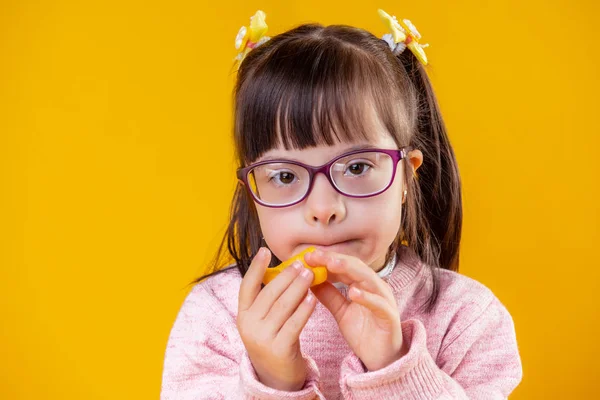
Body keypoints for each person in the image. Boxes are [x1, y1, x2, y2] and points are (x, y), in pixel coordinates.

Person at [160, 9, 523, 399]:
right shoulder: (215, 316)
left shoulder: (466, 318)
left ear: (406, 176)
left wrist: (395, 368)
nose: (323, 208)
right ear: (253, 193)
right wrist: (272, 382)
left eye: (356, 166)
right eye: (285, 176)